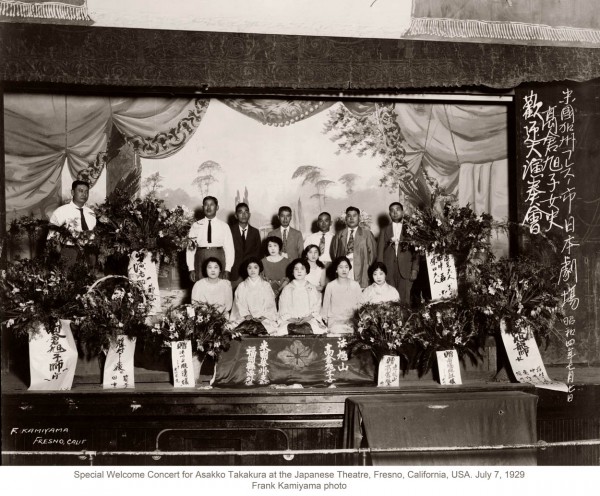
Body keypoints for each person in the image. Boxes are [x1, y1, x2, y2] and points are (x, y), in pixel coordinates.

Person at [377, 202, 419, 304]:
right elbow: (380, 251)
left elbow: (416, 252)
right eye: (392, 210)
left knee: (405, 298)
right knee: (389, 298)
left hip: (406, 269)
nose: (395, 213)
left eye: (397, 210)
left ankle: (406, 319)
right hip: (389, 269)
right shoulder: (384, 230)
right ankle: (392, 319)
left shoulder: (411, 229)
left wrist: (414, 269)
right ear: (389, 214)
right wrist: (380, 270)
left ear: (402, 212)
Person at [47, 180, 96, 268]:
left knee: (90, 279)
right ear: (72, 192)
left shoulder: (91, 213)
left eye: (86, 192)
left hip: (89, 252)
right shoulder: (61, 211)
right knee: (68, 279)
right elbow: (52, 235)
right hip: (69, 251)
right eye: (80, 191)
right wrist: (61, 252)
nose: (84, 194)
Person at [186, 196, 234, 282]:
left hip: (219, 256)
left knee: (218, 287)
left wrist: (228, 269)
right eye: (206, 205)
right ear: (202, 207)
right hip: (200, 257)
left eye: (211, 205)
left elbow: (229, 249)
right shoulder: (195, 225)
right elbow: (190, 249)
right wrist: (191, 268)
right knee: (201, 287)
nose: (208, 207)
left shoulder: (224, 226)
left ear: (217, 207)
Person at [230, 257, 279, 335]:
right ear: (246, 269)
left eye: (255, 267)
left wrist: (265, 316)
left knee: (267, 328)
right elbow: (239, 304)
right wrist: (246, 315)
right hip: (246, 319)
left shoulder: (266, 285)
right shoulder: (242, 286)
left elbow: (270, 304)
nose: (252, 270)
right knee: (241, 328)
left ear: (260, 269)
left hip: (264, 318)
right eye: (249, 268)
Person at [330, 206, 376, 288]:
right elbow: (334, 253)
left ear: (359, 218)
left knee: (359, 292)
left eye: (354, 215)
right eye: (349, 216)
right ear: (345, 218)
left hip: (361, 268)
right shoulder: (339, 234)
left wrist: (366, 267)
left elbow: (373, 254)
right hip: (344, 268)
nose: (351, 218)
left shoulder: (367, 234)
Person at [278, 258, 327, 335]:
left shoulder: (312, 288)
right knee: (282, 331)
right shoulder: (287, 289)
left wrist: (308, 318)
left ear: (306, 271)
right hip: (290, 320)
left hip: (309, 319)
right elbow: (283, 307)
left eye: (302, 269)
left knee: (317, 330)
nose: (299, 271)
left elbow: (316, 306)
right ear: (292, 272)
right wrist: (291, 319)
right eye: (296, 269)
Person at [321, 256, 363, 334]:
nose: (344, 270)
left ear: (349, 268)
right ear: (336, 270)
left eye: (346, 267)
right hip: (335, 321)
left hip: (352, 320)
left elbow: (360, 305)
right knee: (338, 331)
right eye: (340, 267)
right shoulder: (330, 285)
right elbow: (325, 307)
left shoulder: (355, 285)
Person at [229, 202, 262, 289]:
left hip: (251, 273)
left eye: (246, 212)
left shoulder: (255, 232)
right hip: (234, 273)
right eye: (240, 212)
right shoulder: (229, 231)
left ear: (249, 215)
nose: (244, 215)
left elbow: (258, 253)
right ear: (236, 215)